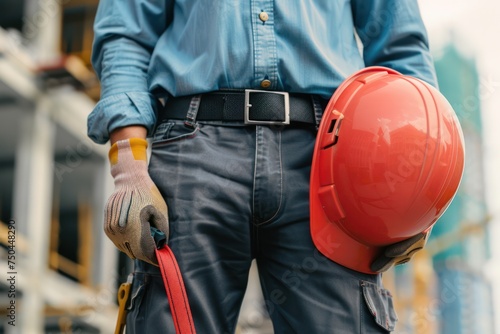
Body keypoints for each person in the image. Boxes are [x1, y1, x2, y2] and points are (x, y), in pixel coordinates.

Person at [88, 1, 437, 333]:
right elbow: (125, 33)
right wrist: (128, 165)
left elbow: (401, 48)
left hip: (329, 161)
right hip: (194, 149)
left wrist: (416, 194)